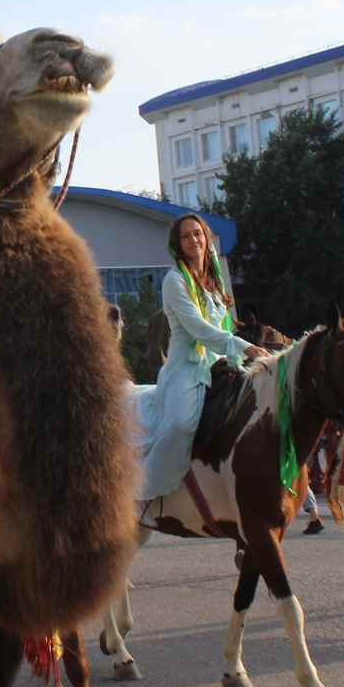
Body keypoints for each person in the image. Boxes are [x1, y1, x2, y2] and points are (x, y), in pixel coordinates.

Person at [131, 215, 268, 503]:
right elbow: (198, 329)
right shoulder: (174, 280)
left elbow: (225, 325)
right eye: (186, 236)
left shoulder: (215, 282)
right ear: (178, 245)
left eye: (197, 233)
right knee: (180, 424)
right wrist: (245, 347)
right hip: (187, 369)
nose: (193, 239)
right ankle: (143, 492)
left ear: (206, 237)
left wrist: (245, 353)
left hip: (222, 364)